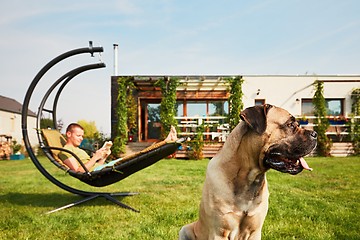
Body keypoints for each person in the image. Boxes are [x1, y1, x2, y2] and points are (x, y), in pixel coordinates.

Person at [58, 123, 178, 172]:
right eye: (78, 135)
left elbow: (95, 167)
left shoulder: (78, 150)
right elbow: (79, 171)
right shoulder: (66, 152)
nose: (81, 138)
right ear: (68, 134)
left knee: (141, 156)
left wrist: (103, 157)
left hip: (101, 169)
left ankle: (167, 142)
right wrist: (95, 157)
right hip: (98, 172)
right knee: (140, 155)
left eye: (82, 136)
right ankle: (167, 141)